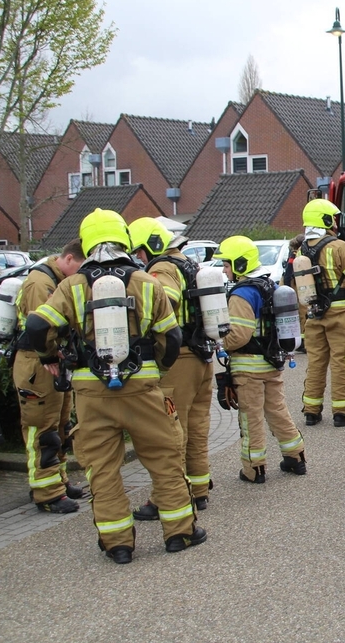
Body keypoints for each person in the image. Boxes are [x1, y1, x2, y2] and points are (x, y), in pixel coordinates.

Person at [26, 208, 206, 565]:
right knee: (165, 459)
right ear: (125, 238)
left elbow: (35, 328)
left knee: (103, 470)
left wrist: (52, 354)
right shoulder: (145, 281)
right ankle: (180, 534)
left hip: (91, 394)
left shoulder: (72, 285)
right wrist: (154, 371)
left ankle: (117, 544)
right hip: (142, 389)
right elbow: (171, 338)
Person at [127, 217, 214, 519]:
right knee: (197, 427)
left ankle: (165, 498)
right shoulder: (187, 263)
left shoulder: (162, 267)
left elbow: (165, 303)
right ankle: (198, 490)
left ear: (151, 244)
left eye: (138, 252)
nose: (137, 259)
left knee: (171, 431)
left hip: (181, 360)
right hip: (202, 356)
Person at [214, 235, 306, 481]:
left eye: (226, 264)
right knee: (277, 410)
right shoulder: (270, 286)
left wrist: (219, 344)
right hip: (271, 363)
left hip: (247, 368)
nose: (224, 270)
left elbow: (240, 335)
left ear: (239, 264)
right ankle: (296, 457)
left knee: (250, 417)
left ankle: (254, 469)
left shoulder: (241, 294)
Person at [13, 239, 86, 513]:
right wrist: (51, 356)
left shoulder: (56, 280)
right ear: (67, 259)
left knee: (60, 427)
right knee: (41, 429)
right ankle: (46, 494)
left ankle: (59, 481)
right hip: (38, 365)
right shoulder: (39, 284)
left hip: (54, 362)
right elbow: (41, 327)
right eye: (78, 268)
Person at [299, 199, 345, 427]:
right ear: (326, 219)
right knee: (342, 362)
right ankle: (344, 413)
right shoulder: (338, 247)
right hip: (340, 314)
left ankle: (311, 411)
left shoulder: (302, 250)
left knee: (316, 362)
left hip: (313, 314)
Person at [282, 233, 306, 353]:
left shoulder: (294, 254)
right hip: (296, 286)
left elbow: (287, 274)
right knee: (302, 315)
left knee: (301, 315)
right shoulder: (296, 255)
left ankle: (302, 342)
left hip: (295, 286)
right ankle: (302, 343)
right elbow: (288, 274)